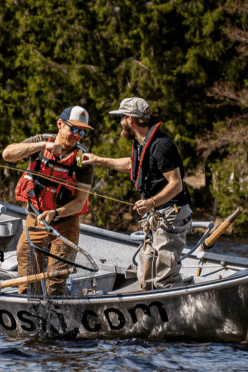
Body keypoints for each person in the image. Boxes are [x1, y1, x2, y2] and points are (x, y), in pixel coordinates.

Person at [82, 97, 192, 289]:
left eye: (121, 118)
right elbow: (132, 164)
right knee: (146, 274)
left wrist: (151, 203)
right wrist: (98, 160)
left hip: (170, 216)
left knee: (164, 278)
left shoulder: (161, 145)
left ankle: (175, 312)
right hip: (156, 216)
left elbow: (176, 184)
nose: (120, 123)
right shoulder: (142, 143)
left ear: (130, 120)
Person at [2, 106, 95, 296]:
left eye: (82, 131)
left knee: (55, 284)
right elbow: (8, 154)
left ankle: (58, 317)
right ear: (60, 124)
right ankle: (28, 314)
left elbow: (79, 202)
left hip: (65, 224)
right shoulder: (40, 142)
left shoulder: (82, 159)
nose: (77, 135)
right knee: (27, 280)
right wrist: (43, 146)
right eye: (74, 129)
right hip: (35, 219)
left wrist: (57, 213)